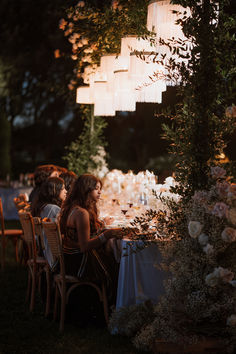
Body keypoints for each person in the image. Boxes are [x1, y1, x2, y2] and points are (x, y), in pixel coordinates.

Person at [59, 174, 123, 317]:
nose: (100, 192)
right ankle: (111, 308)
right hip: (79, 262)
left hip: (69, 257)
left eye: (100, 189)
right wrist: (107, 235)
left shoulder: (72, 208)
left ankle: (111, 306)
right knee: (116, 264)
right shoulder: (81, 213)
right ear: (86, 190)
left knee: (112, 255)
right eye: (96, 189)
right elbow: (85, 246)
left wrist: (102, 232)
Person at [31, 176, 67, 267]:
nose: (66, 191)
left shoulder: (43, 207)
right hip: (55, 256)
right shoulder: (54, 209)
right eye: (63, 189)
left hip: (43, 250)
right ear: (54, 191)